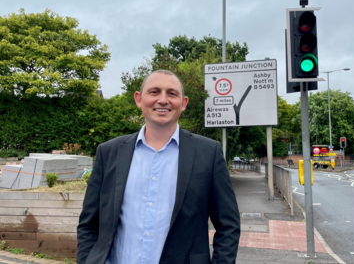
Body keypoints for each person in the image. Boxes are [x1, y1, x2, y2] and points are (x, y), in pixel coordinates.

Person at [77, 70, 240, 264]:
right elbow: (88, 224)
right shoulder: (109, 152)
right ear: (139, 99)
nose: (163, 100)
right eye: (154, 92)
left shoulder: (208, 153)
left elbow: (228, 225)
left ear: (184, 103)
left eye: (172, 93)